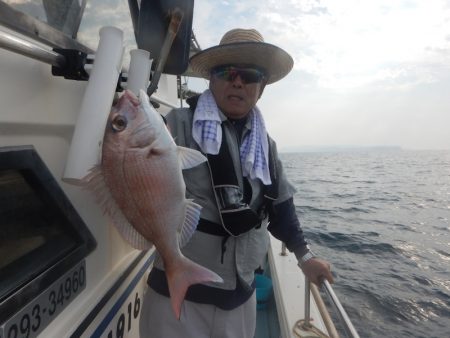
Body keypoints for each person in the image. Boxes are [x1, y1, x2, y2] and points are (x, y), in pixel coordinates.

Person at [139, 28, 334, 338]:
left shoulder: (266, 146)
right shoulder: (173, 126)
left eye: (250, 74)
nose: (238, 81)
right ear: (211, 79)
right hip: (177, 298)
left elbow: (280, 206)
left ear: (262, 87)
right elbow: (134, 164)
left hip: (241, 298)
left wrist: (305, 256)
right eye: (226, 71)